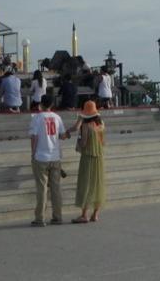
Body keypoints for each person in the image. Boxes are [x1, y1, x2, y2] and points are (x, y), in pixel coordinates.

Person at [28, 94, 69, 226]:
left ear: (41, 104)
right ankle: (57, 216)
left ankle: (40, 218)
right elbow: (62, 136)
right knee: (56, 188)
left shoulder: (37, 118)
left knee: (42, 188)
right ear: (52, 104)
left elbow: (33, 137)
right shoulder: (57, 117)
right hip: (55, 156)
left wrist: (33, 154)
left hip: (41, 156)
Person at [70, 100, 107, 223]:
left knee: (86, 184)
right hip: (99, 157)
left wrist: (78, 143)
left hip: (88, 157)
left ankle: (84, 214)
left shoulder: (86, 126)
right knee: (97, 184)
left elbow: (84, 142)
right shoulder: (101, 124)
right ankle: (95, 214)